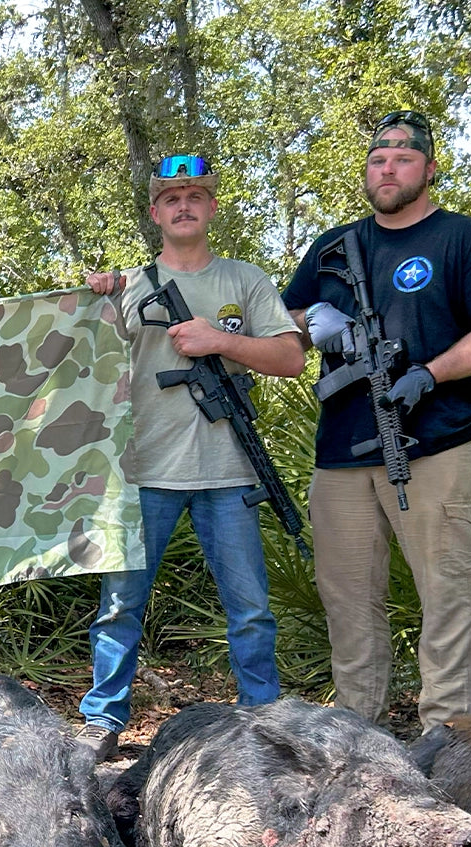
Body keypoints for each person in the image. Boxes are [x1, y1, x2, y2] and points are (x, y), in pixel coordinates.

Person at [283, 110, 471, 731]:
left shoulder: (465, 241)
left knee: (444, 591)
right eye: (377, 158)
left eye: (402, 157)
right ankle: (357, 731)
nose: (387, 167)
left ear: (429, 168)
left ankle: (445, 736)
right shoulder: (334, 247)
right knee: (346, 598)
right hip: (341, 449)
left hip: (437, 440)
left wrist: (431, 373)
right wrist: (315, 322)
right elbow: (285, 322)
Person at [77, 155, 306, 759]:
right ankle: (102, 720)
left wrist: (219, 340)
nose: (184, 205)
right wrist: (96, 298)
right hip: (144, 471)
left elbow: (290, 358)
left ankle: (262, 719)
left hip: (230, 472)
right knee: (121, 606)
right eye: (172, 197)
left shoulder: (245, 281)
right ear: (155, 213)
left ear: (211, 207)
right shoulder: (127, 287)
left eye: (196, 195)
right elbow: (76, 365)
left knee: (250, 609)